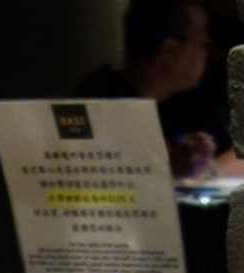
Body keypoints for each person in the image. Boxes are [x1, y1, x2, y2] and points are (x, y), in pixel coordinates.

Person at [74, 0, 224, 178]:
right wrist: (167, 170)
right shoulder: (99, 104)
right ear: (169, 52)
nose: (207, 54)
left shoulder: (168, 102)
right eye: (203, 44)